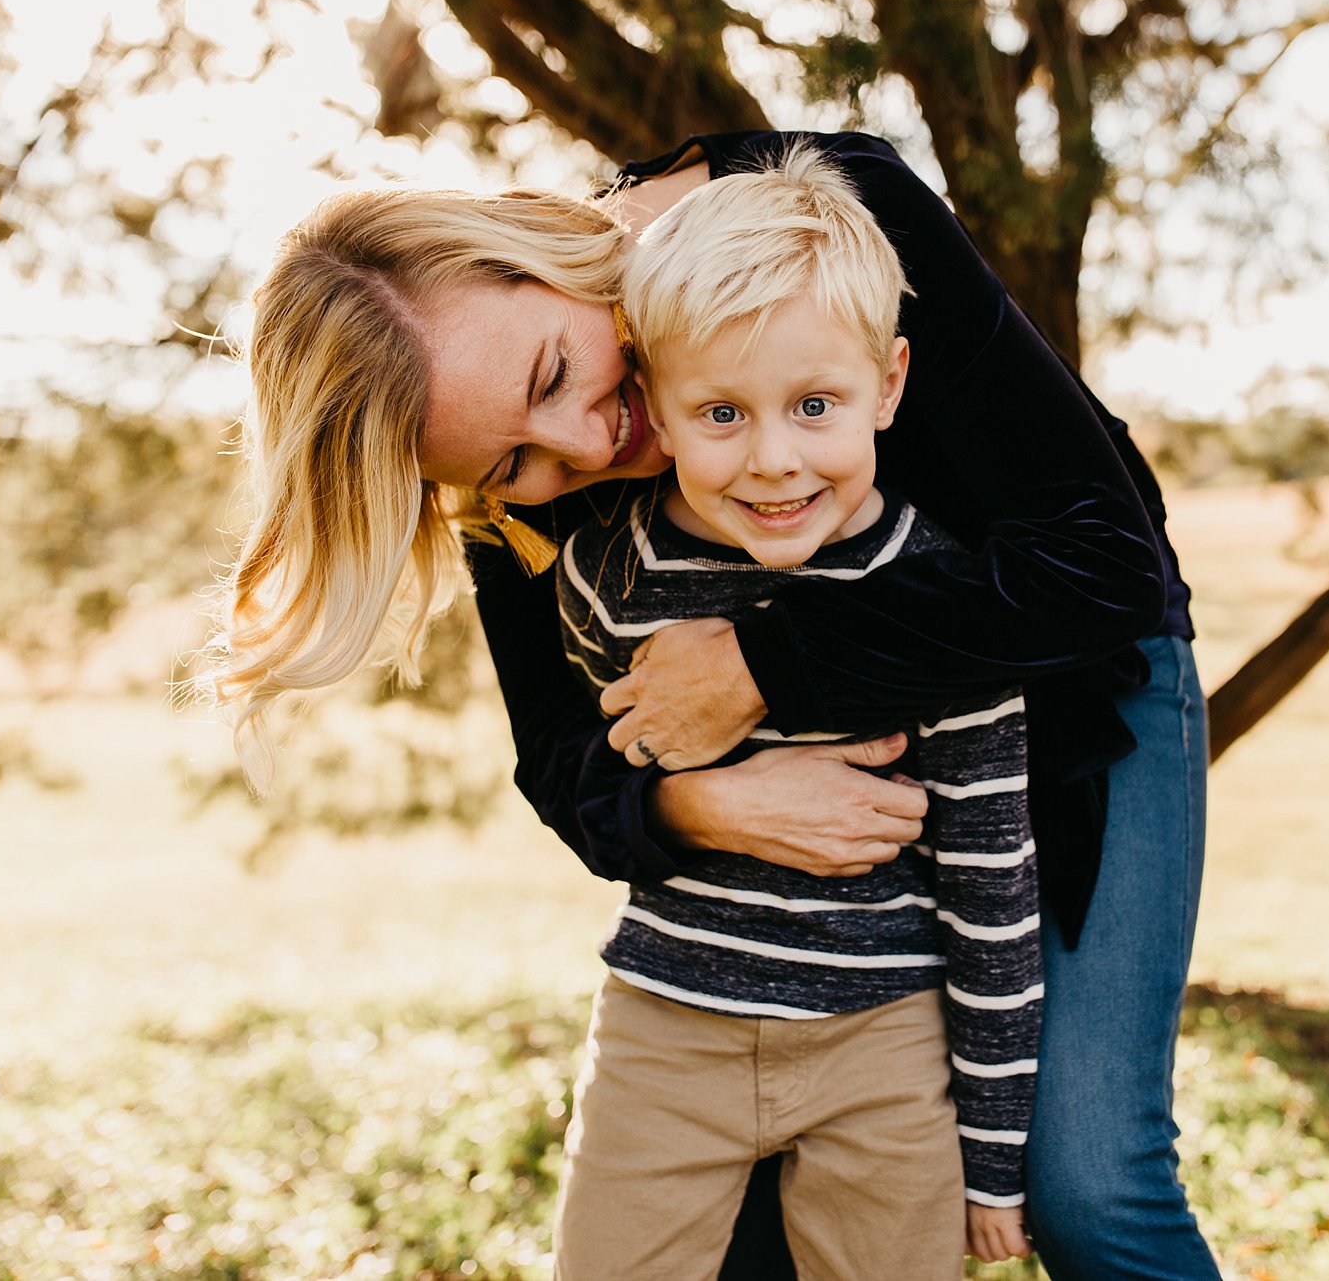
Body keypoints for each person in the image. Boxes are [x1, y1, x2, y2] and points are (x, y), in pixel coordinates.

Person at [213, 129, 1217, 1280]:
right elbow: (562, 761)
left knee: (1084, 1181)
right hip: (792, 902)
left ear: (545, 250)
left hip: (1076, 687)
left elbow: (1096, 565)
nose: (586, 444)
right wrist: (706, 809)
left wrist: (759, 669)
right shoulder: (495, 478)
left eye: (554, 377)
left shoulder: (822, 221)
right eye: (512, 466)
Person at [549, 146, 1039, 1276]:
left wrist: (994, 1153)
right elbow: (604, 762)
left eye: (815, 405)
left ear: (889, 386)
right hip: (662, 1031)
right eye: (720, 411)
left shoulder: (944, 599)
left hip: (884, 1046)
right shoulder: (602, 581)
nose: (774, 460)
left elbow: (991, 887)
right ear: (654, 411)